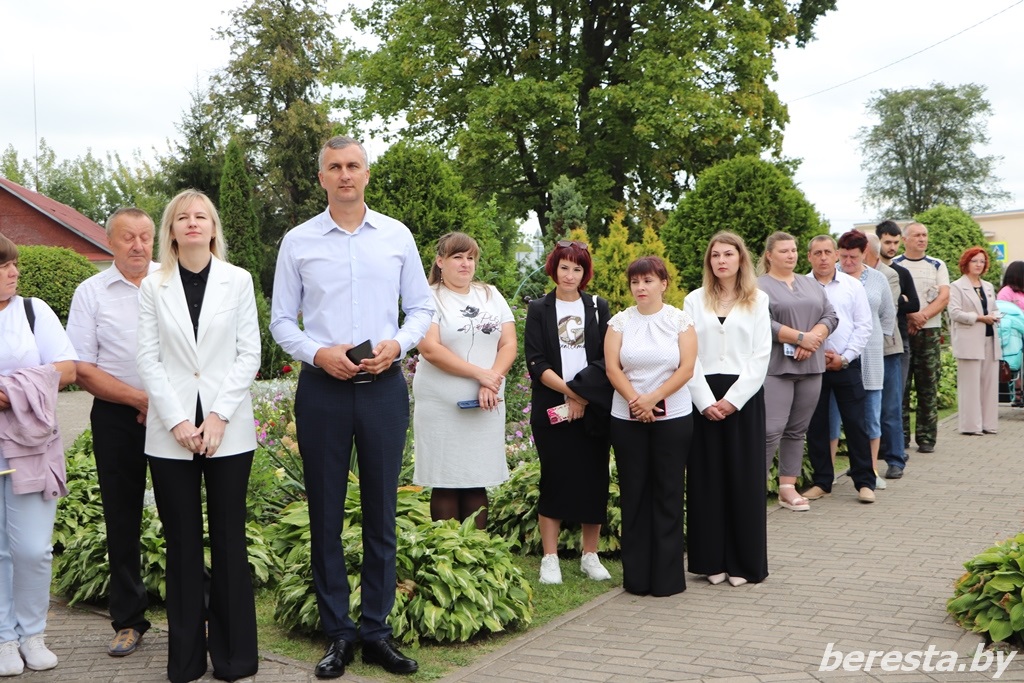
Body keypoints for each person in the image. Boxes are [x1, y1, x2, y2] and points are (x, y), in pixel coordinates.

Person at [270, 135, 433, 678]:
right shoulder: (298, 241)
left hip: (383, 387)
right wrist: (318, 353)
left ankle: (377, 632)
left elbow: (421, 307)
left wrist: (398, 345)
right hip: (323, 390)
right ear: (322, 177)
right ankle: (338, 634)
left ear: (366, 174)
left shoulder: (396, 236)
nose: (345, 174)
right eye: (335, 167)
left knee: (381, 513)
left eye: (354, 165)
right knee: (325, 515)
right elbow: (280, 321)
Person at [136, 190, 260, 683]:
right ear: (171, 230)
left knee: (229, 541)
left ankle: (235, 659)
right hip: (172, 434)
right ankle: (185, 662)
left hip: (228, 430)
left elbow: (248, 353)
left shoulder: (238, 280)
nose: (192, 223)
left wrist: (219, 416)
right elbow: (148, 358)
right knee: (182, 545)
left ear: (213, 228)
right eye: (182, 217)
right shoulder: (153, 286)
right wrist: (177, 421)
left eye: (201, 216)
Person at [66, 207, 158, 657]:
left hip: (174, 416)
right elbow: (82, 368)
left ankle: (198, 612)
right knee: (122, 519)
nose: (138, 246)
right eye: (128, 237)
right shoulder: (91, 292)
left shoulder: (172, 281)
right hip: (117, 417)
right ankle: (128, 620)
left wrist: (163, 404)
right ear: (110, 242)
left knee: (182, 515)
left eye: (145, 237)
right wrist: (139, 400)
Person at [0, 232, 77, 676]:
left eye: (15, 264)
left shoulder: (33, 311)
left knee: (32, 549)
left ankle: (32, 632)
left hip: (30, 445)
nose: (14, 272)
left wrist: (11, 389)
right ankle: (4, 638)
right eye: (4, 266)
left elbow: (66, 368)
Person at [605, 255, 696, 597]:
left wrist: (653, 398)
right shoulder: (619, 323)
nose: (640, 287)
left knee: (668, 494)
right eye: (635, 282)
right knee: (634, 494)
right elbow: (612, 369)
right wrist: (636, 401)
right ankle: (637, 578)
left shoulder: (680, 321)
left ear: (663, 284)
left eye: (648, 281)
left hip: (673, 418)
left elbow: (686, 368)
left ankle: (667, 579)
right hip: (626, 419)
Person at [524, 240, 613, 586]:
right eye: (564, 267)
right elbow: (536, 361)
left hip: (592, 408)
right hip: (552, 405)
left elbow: (607, 357)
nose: (570, 275)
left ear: (584, 273)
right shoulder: (539, 308)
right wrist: (572, 393)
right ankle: (551, 559)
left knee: (594, 478)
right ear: (554, 268)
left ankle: (590, 555)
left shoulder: (597, 307)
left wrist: (583, 398)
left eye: (577, 269)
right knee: (555, 477)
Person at [412, 232, 516, 528]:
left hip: (486, 401)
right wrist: (479, 374)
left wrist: (490, 380)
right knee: (445, 480)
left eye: (470, 258)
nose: (465, 263)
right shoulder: (428, 297)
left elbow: (508, 343)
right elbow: (430, 349)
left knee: (476, 478)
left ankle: (476, 549)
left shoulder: (490, 294)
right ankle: (448, 548)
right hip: (442, 406)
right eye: (457, 257)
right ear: (440, 261)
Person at [684, 232, 770, 587]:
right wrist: (705, 401)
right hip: (703, 397)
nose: (721, 260)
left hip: (743, 399)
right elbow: (687, 355)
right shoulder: (694, 300)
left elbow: (761, 354)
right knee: (706, 480)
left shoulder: (758, 300)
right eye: (716, 255)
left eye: (728, 254)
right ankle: (710, 561)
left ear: (740, 259)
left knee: (743, 480)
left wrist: (733, 399)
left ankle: (743, 563)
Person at [758, 232, 836, 512]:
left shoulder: (810, 283)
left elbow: (830, 315)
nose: (791, 255)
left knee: (796, 430)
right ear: (769, 255)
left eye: (793, 250)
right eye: (784, 251)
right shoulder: (758, 286)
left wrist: (813, 338)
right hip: (777, 368)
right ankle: (752, 489)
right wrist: (799, 338)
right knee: (770, 430)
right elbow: (761, 322)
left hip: (811, 366)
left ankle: (787, 488)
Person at [801, 235, 875, 504]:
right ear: (809, 256)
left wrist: (844, 358)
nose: (823, 258)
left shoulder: (852, 286)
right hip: (812, 365)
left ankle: (864, 482)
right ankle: (822, 482)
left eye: (827, 252)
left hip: (846, 364)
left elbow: (863, 325)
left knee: (856, 423)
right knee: (816, 425)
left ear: (836, 255)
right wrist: (814, 353)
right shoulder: (799, 286)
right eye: (817, 253)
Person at [834, 231, 895, 489]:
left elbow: (887, 314)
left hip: (870, 353)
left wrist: (875, 338)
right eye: (844, 256)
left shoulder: (877, 278)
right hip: (835, 355)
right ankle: (828, 472)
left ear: (865, 253)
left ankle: (871, 470)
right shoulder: (829, 275)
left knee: (871, 414)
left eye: (854, 257)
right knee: (832, 417)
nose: (848, 262)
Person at [893, 222, 949, 453]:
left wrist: (922, 317)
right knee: (901, 387)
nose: (922, 239)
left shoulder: (937, 265)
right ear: (905, 239)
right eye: (916, 235)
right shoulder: (895, 264)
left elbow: (944, 297)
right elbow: (891, 297)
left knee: (928, 386)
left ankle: (926, 438)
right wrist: (910, 317)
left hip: (929, 331)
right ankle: (901, 437)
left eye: (924, 235)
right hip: (902, 330)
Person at [862, 233, 908, 479]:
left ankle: (895, 459)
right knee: (865, 408)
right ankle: (865, 463)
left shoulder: (888, 274)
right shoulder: (847, 274)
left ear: (867, 251)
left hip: (886, 348)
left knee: (889, 406)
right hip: (859, 351)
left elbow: (888, 309)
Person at [947, 248, 1001, 435]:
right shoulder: (956, 286)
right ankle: (971, 426)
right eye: (975, 261)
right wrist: (979, 318)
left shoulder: (988, 286)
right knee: (970, 385)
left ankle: (989, 424)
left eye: (982, 261)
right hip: (969, 340)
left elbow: (994, 308)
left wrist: (995, 315)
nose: (979, 264)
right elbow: (954, 313)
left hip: (990, 338)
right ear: (966, 263)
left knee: (989, 384)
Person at [997, 260, 1024, 406]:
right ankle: (1018, 393)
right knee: (1018, 362)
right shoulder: (1006, 292)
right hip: (1015, 334)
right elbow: (1003, 313)